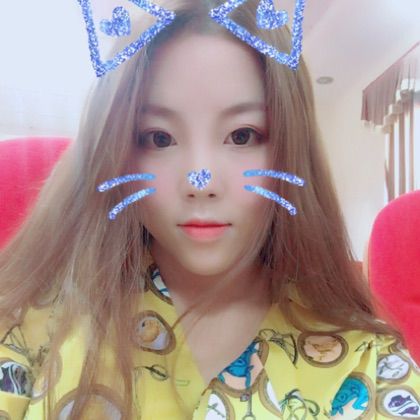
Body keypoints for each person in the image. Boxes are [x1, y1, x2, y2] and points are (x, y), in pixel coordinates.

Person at [0, 0, 419, 418]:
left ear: (291, 152)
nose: (200, 183)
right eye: (159, 138)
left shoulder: (369, 367)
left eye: (242, 136)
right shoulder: (33, 326)